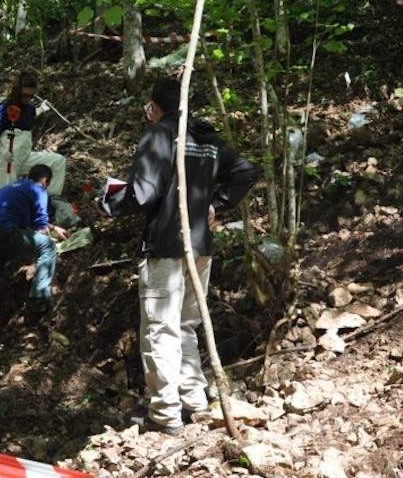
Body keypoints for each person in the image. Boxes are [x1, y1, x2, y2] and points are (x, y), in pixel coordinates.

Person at [102, 78, 258, 435]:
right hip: (200, 247)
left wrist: (109, 202)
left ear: (155, 107)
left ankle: (166, 415)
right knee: (186, 325)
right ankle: (195, 401)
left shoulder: (159, 135)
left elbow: (141, 194)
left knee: (161, 329)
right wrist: (218, 204)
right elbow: (246, 171)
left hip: (166, 247)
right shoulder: (206, 137)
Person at [0, 164, 70, 366]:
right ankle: (40, 296)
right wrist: (50, 236)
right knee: (48, 249)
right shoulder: (39, 190)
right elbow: (40, 228)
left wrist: (53, 227)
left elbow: (24, 220)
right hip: (7, 233)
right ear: (45, 180)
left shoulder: (11, 188)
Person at [0, 72, 67, 197]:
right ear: (16, 91)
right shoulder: (6, 107)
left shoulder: (29, 108)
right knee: (4, 194)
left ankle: (47, 197)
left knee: (57, 161)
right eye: (24, 96)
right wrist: (2, 150)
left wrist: (42, 108)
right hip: (6, 159)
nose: (27, 99)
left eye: (31, 96)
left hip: (23, 155)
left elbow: (32, 113)